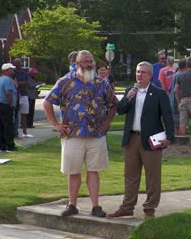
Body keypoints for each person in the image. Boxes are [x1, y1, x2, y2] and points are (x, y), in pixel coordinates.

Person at [43, 50, 117, 217]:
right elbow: (48, 103)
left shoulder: (101, 83)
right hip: (72, 135)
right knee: (73, 171)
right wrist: (56, 124)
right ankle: (72, 205)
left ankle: (95, 206)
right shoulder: (64, 82)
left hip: (96, 135)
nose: (90, 64)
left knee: (94, 170)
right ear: (77, 63)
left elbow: (113, 104)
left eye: (91, 61)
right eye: (85, 61)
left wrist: (107, 122)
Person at [108, 61, 174, 219]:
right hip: (132, 139)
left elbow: (168, 117)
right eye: (138, 72)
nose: (140, 75)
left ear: (150, 75)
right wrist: (128, 97)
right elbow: (121, 110)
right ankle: (127, 206)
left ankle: (149, 208)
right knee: (130, 175)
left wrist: (169, 137)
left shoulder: (158, 93)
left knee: (152, 177)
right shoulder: (130, 91)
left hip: (151, 140)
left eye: (143, 72)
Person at [0, 63, 19, 152]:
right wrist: (10, 104)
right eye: (11, 69)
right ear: (6, 70)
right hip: (5, 104)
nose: (12, 71)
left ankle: (1, 145)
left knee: (0, 126)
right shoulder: (7, 80)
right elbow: (8, 93)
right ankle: (10, 146)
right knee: (8, 126)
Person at [12, 58, 33, 138]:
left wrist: (19, 83)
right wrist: (20, 83)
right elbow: (14, 83)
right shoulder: (13, 72)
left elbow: (27, 83)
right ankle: (15, 132)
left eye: (19, 63)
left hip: (24, 94)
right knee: (15, 114)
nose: (18, 64)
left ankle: (25, 132)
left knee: (24, 114)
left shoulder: (24, 73)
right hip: (16, 95)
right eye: (16, 63)